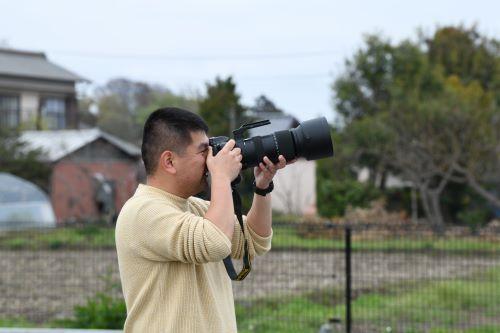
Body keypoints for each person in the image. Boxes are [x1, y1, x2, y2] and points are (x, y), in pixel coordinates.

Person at [115, 107, 291, 332]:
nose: (212, 160)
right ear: (169, 161)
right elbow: (214, 242)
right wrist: (221, 177)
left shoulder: (194, 207)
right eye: (203, 152)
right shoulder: (142, 211)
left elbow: (255, 241)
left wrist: (262, 187)